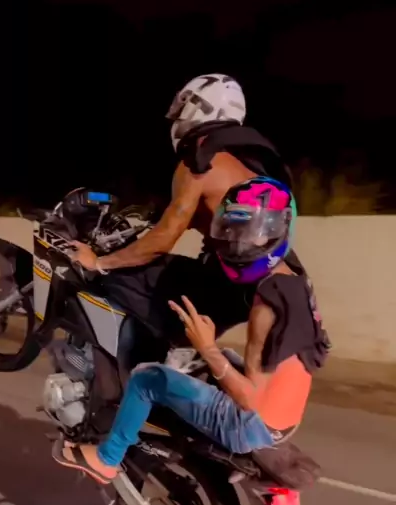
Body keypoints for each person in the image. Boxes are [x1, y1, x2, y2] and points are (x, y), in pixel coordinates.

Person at [53, 179, 330, 482]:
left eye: (252, 233)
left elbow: (250, 400)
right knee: (218, 359)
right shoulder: (294, 282)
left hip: (250, 427)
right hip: (286, 422)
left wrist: (207, 347)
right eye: (234, 231)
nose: (239, 244)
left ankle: (107, 459)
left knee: (146, 378)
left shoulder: (266, 307)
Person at [69, 73, 302, 346]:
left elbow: (162, 240)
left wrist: (99, 262)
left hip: (225, 284)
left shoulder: (199, 163)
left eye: (183, 107)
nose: (177, 117)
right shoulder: (253, 163)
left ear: (201, 107)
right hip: (274, 283)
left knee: (120, 275)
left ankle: (155, 356)